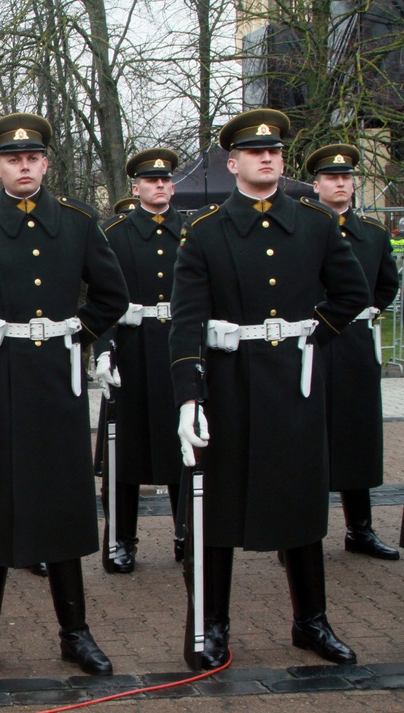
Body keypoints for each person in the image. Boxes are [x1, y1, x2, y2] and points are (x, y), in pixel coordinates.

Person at [170, 109, 370, 669]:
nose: (267, 158)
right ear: (232, 163)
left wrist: (314, 336)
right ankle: (210, 624)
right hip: (229, 383)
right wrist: (188, 394)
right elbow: (186, 321)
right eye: (255, 152)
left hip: (295, 386)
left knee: (302, 504)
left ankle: (311, 621)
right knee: (217, 512)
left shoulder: (315, 224)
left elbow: (351, 294)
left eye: (275, 151)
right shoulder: (205, 231)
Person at [0, 113, 129, 679]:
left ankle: (76, 633)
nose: (24, 166)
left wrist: (78, 334)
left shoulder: (76, 222)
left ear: (45, 163)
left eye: (33, 158)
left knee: (63, 505)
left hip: (57, 380)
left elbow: (111, 295)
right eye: (12, 160)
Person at [305, 144, 401, 560]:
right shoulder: (303, 230)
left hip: (357, 344)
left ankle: (359, 530)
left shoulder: (374, 234)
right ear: (316, 185)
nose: (341, 183)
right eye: (332, 178)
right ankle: (301, 530)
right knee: (308, 434)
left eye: (346, 178)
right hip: (313, 341)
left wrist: (372, 311)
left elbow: (387, 283)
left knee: (356, 435)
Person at [94, 149, 185, 573]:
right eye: (152, 181)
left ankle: (188, 532)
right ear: (136, 188)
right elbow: (101, 296)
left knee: (186, 445)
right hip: (131, 350)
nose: (161, 185)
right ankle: (121, 538)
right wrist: (104, 348)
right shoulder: (114, 233)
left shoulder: (192, 230)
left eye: (166, 179)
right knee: (125, 453)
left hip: (178, 349)